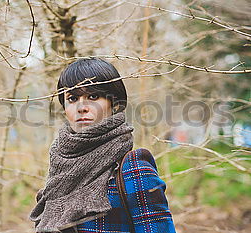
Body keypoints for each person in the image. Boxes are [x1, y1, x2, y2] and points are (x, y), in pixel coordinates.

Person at [29, 58, 176, 233]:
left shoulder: (133, 167)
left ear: (114, 104)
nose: (82, 107)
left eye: (93, 96)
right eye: (73, 98)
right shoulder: (59, 168)